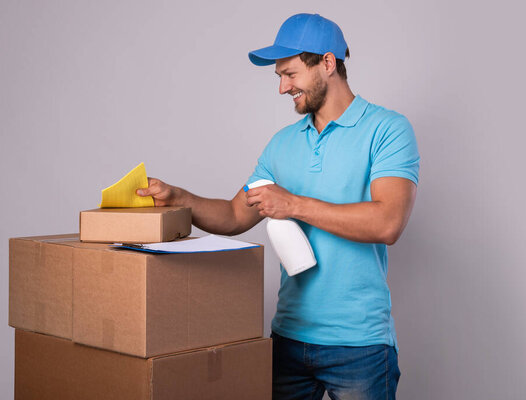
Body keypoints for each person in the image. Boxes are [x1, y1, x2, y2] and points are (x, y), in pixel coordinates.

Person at [137, 13, 419, 400]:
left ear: (327, 62)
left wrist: (293, 204)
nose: (283, 88)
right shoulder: (282, 143)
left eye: (290, 74)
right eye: (279, 77)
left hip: (360, 346)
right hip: (287, 340)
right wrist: (181, 199)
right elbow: (236, 214)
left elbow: (388, 222)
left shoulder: (387, 129)